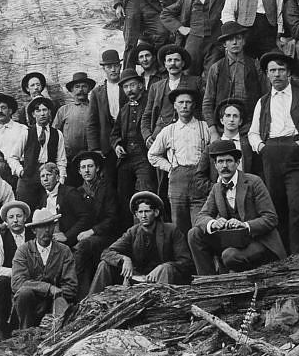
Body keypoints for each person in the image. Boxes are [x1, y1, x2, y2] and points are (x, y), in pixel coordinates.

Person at [248, 51, 299, 253]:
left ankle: (297, 254)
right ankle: (279, 256)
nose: (277, 74)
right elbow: (253, 133)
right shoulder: (263, 101)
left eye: (281, 70)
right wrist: (261, 148)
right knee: (275, 207)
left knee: (297, 206)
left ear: (289, 73)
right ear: (267, 74)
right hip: (271, 155)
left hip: (297, 155)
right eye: (272, 70)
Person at [188, 140, 286, 275]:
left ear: (237, 163)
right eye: (220, 162)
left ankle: (253, 278)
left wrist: (245, 225)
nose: (224, 166)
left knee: (229, 256)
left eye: (229, 161)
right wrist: (213, 223)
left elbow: (271, 218)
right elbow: (201, 216)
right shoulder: (216, 188)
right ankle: (208, 281)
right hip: (233, 241)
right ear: (215, 165)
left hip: (258, 241)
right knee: (194, 234)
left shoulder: (254, 182)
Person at [91, 190, 193, 294]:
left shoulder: (171, 230)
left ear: (156, 212)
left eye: (147, 211)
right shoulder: (133, 232)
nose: (143, 216)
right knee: (105, 264)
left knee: (166, 269)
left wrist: (164, 267)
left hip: (165, 280)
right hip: (139, 278)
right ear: (136, 214)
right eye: (140, 212)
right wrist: (124, 259)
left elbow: (185, 262)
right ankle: (91, 302)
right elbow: (107, 252)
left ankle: (162, 307)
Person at [148, 86, 210, 231]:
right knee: (179, 225)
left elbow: (214, 153)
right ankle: (182, 254)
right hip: (177, 182)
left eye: (188, 102)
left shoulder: (205, 127)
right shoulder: (169, 130)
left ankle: (199, 253)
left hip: (200, 179)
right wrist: (170, 167)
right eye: (180, 102)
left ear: (194, 105)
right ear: (175, 106)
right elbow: (152, 155)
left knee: (200, 224)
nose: (184, 106)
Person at [11, 207, 79, 329]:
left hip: (56, 303)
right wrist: (48, 288)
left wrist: (56, 295)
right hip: (31, 304)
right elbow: (17, 283)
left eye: (49, 225)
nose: (47, 230)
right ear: (34, 230)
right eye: (42, 226)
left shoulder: (64, 251)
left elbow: (71, 286)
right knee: (24, 293)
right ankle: (25, 332)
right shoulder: (23, 251)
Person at [161, 0, 226, 76]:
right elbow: (165, 14)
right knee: (189, 73)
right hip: (193, 41)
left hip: (214, 43)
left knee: (213, 75)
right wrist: (181, 28)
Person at [70, 151, 120, 295]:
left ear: (97, 168)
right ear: (79, 171)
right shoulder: (78, 192)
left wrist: (92, 231)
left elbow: (113, 218)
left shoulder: (107, 189)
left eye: (90, 166)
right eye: (83, 167)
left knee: (82, 247)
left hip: (105, 235)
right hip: (84, 237)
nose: (87, 170)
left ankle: (76, 294)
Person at [110, 68, 153, 228]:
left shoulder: (150, 103)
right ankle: (129, 235)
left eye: (132, 85)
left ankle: (147, 231)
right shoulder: (124, 109)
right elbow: (114, 134)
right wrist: (117, 145)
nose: (130, 90)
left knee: (145, 195)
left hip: (145, 157)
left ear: (141, 85)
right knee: (124, 198)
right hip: (126, 159)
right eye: (126, 87)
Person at [202, 23, 264, 128]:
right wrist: (212, 129)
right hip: (223, 126)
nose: (235, 42)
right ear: (224, 44)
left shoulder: (255, 65)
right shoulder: (216, 68)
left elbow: (265, 96)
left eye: (238, 38)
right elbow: (208, 102)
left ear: (243, 41)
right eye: (230, 40)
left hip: (251, 124)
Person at [0, 200, 31, 339]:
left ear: (25, 218)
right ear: (6, 220)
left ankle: (24, 328)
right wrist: (17, 273)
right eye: (11, 217)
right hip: (9, 280)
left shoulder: (33, 236)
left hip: (31, 279)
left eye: (19, 216)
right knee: (1, 284)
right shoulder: (0, 238)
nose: (15, 220)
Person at [141, 44, 201, 143]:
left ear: (183, 63)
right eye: (169, 60)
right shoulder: (156, 87)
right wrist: (147, 135)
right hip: (161, 135)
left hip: (189, 133)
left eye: (177, 60)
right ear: (165, 64)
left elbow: (202, 109)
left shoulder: (195, 82)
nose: (173, 63)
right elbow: (147, 114)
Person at [30, 161, 91, 249]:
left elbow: (85, 217)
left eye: (49, 175)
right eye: (42, 176)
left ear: (57, 177)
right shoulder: (44, 198)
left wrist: (67, 236)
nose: (45, 179)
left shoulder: (69, 193)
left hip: (69, 241)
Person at [20, 98, 68, 203]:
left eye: (45, 110)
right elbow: (13, 156)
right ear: (33, 114)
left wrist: (61, 179)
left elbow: (61, 159)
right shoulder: (26, 133)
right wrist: (20, 171)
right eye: (38, 111)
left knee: (48, 207)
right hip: (29, 177)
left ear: (49, 112)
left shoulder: (57, 134)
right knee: (27, 207)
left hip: (49, 176)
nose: (42, 114)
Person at [87, 50, 125, 161]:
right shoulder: (97, 93)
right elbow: (92, 123)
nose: (113, 70)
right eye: (109, 67)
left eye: (116, 66)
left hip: (126, 142)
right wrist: (94, 149)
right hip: (106, 146)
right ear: (104, 69)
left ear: (120, 66)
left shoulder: (127, 88)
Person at [54, 72, 94, 164]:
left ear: (89, 89)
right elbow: (55, 134)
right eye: (77, 86)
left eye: (84, 86)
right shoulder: (63, 110)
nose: (81, 89)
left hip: (90, 157)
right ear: (72, 90)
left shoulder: (95, 109)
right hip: (68, 158)